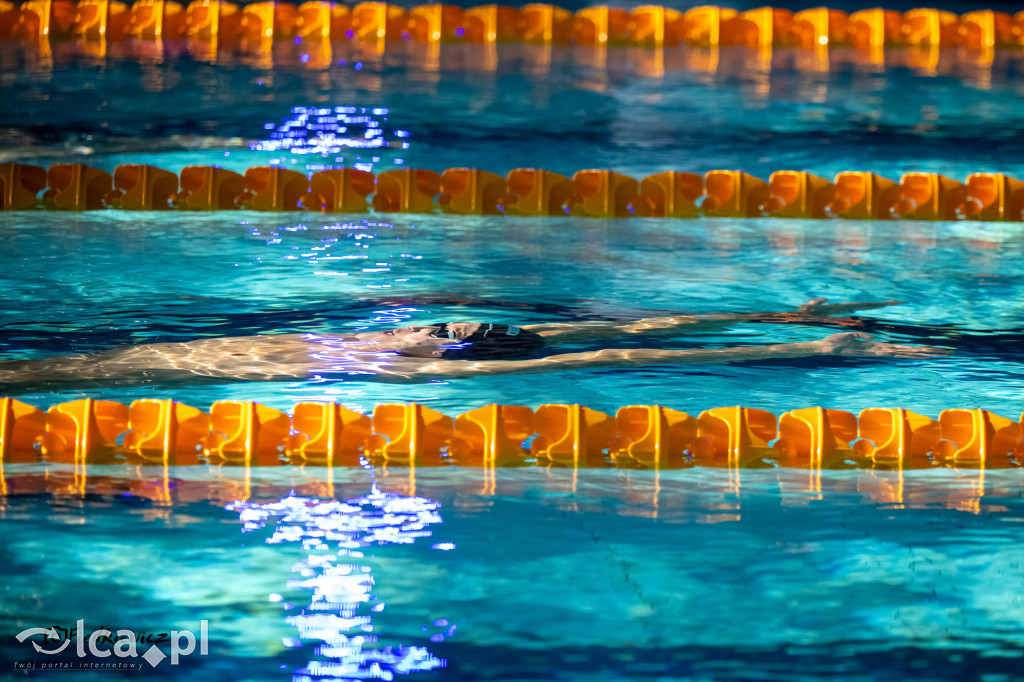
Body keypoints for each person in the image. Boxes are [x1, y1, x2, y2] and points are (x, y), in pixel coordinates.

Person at [0, 298, 947, 389]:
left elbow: (626, 359)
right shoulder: (402, 339)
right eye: (456, 319)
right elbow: (633, 328)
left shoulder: (403, 363)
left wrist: (813, 356)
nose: (460, 319)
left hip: (149, 373)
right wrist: (780, 319)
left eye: (464, 331)